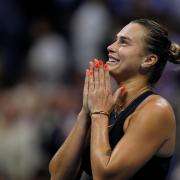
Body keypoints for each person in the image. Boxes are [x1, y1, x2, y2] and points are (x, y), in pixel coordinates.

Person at [49, 19, 180, 180]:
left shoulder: (156, 109)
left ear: (148, 60)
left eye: (124, 43)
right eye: (115, 40)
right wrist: (85, 114)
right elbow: (58, 176)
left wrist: (98, 114)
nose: (110, 47)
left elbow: (106, 176)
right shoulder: (106, 105)